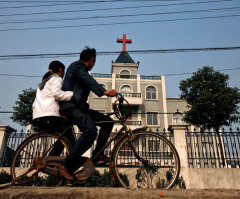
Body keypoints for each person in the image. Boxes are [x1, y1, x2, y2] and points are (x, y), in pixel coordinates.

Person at [57, 47, 117, 181]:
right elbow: (88, 80)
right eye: (93, 62)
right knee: (90, 131)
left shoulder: (80, 70)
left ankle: (97, 156)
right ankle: (64, 165)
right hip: (71, 107)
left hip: (80, 108)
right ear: (92, 60)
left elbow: (87, 81)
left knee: (108, 122)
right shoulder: (78, 66)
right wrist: (105, 92)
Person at [32, 61, 76, 148]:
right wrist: (74, 94)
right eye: (64, 71)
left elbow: (34, 104)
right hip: (50, 117)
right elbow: (57, 94)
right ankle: (74, 158)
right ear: (60, 70)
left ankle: (51, 158)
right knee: (69, 137)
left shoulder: (42, 84)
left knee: (64, 138)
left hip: (38, 118)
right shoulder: (57, 78)